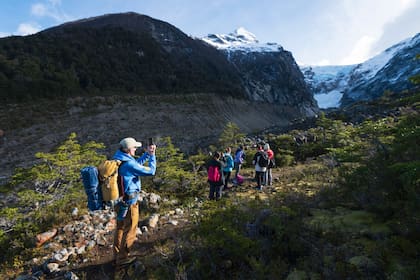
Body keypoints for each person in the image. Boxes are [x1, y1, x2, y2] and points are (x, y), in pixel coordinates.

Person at [112, 137, 157, 266]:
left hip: (119, 200)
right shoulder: (129, 163)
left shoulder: (119, 158)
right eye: (134, 147)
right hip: (130, 202)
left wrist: (147, 155)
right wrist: (152, 156)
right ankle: (123, 258)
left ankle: (117, 255)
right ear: (127, 149)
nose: (136, 149)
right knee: (131, 228)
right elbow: (151, 171)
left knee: (120, 227)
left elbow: (135, 164)